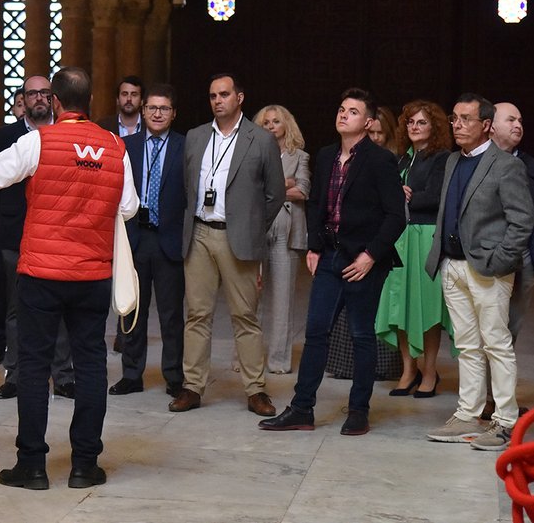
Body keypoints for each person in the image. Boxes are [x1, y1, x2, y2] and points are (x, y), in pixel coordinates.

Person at [0, 67, 139, 490]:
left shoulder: (38, 140)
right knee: (92, 365)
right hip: (93, 273)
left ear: (56, 103)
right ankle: (84, 465)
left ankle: (32, 465)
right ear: (91, 100)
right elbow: (130, 206)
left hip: (42, 273)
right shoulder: (115, 146)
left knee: (33, 365)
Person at [260, 88, 406, 437]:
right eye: (341, 109)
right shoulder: (325, 156)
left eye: (353, 111)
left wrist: (371, 256)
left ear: (368, 122)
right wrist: (314, 246)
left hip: (363, 259)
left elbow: (395, 216)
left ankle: (358, 410)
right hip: (329, 254)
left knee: (360, 334)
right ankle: (301, 409)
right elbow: (315, 205)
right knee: (316, 332)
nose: (343, 115)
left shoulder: (379, 160)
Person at [425, 93, 534, 451]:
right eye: (455, 118)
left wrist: (500, 261)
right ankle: (468, 414)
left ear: (486, 125)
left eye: (466, 119)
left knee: (496, 344)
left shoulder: (506, 166)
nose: (457, 125)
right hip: (452, 265)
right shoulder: (453, 161)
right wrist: (442, 257)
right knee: (467, 345)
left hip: (487, 268)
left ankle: (504, 422)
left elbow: (522, 222)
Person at [170, 73, 285, 417]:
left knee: (245, 317)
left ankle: (255, 390)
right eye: (212, 96)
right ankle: (192, 387)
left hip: (238, 237)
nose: (217, 100)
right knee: (197, 315)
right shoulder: (195, 137)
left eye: (224, 95)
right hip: (200, 234)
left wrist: (250, 225)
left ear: (239, 98)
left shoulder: (260, 139)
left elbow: (275, 194)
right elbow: (187, 187)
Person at [0, 75, 75, 400]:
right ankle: (15, 374)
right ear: (22, 99)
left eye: (44, 93)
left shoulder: (66, 133)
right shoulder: (5, 136)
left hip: (58, 234)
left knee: (60, 307)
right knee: (15, 308)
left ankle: (63, 376)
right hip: (15, 232)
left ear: (54, 99)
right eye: (32, 93)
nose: (38, 98)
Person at [110, 84, 188, 397]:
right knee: (132, 310)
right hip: (135, 238)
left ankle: (174, 375)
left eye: (164, 108)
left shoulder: (186, 147)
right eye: (152, 108)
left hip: (168, 239)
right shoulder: (125, 145)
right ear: (143, 111)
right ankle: (131, 374)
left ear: (173, 114)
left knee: (171, 314)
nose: (157, 113)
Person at [375, 100, 454, 398]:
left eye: (421, 122)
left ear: (433, 127)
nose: (414, 127)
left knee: (428, 307)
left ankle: (431, 371)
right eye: (410, 123)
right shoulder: (402, 159)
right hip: (400, 237)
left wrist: (405, 196)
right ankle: (409, 369)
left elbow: (436, 197)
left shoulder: (442, 158)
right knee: (401, 305)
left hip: (426, 236)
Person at [252, 104, 310, 375]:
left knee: (282, 300)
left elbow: (303, 190)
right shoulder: (252, 153)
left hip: (286, 233)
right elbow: (246, 189)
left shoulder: (300, 156)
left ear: (287, 124)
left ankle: (278, 360)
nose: (271, 126)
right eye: (266, 122)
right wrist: (284, 184)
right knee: (249, 296)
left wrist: (271, 188)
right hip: (255, 230)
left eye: (276, 121)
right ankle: (246, 359)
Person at [491, 102, 534, 341]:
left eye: (520, 121)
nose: (518, 125)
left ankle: (501, 374)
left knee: (512, 323)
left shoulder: (529, 163)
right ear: (491, 126)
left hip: (522, 251)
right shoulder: (477, 161)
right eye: (511, 120)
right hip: (488, 251)